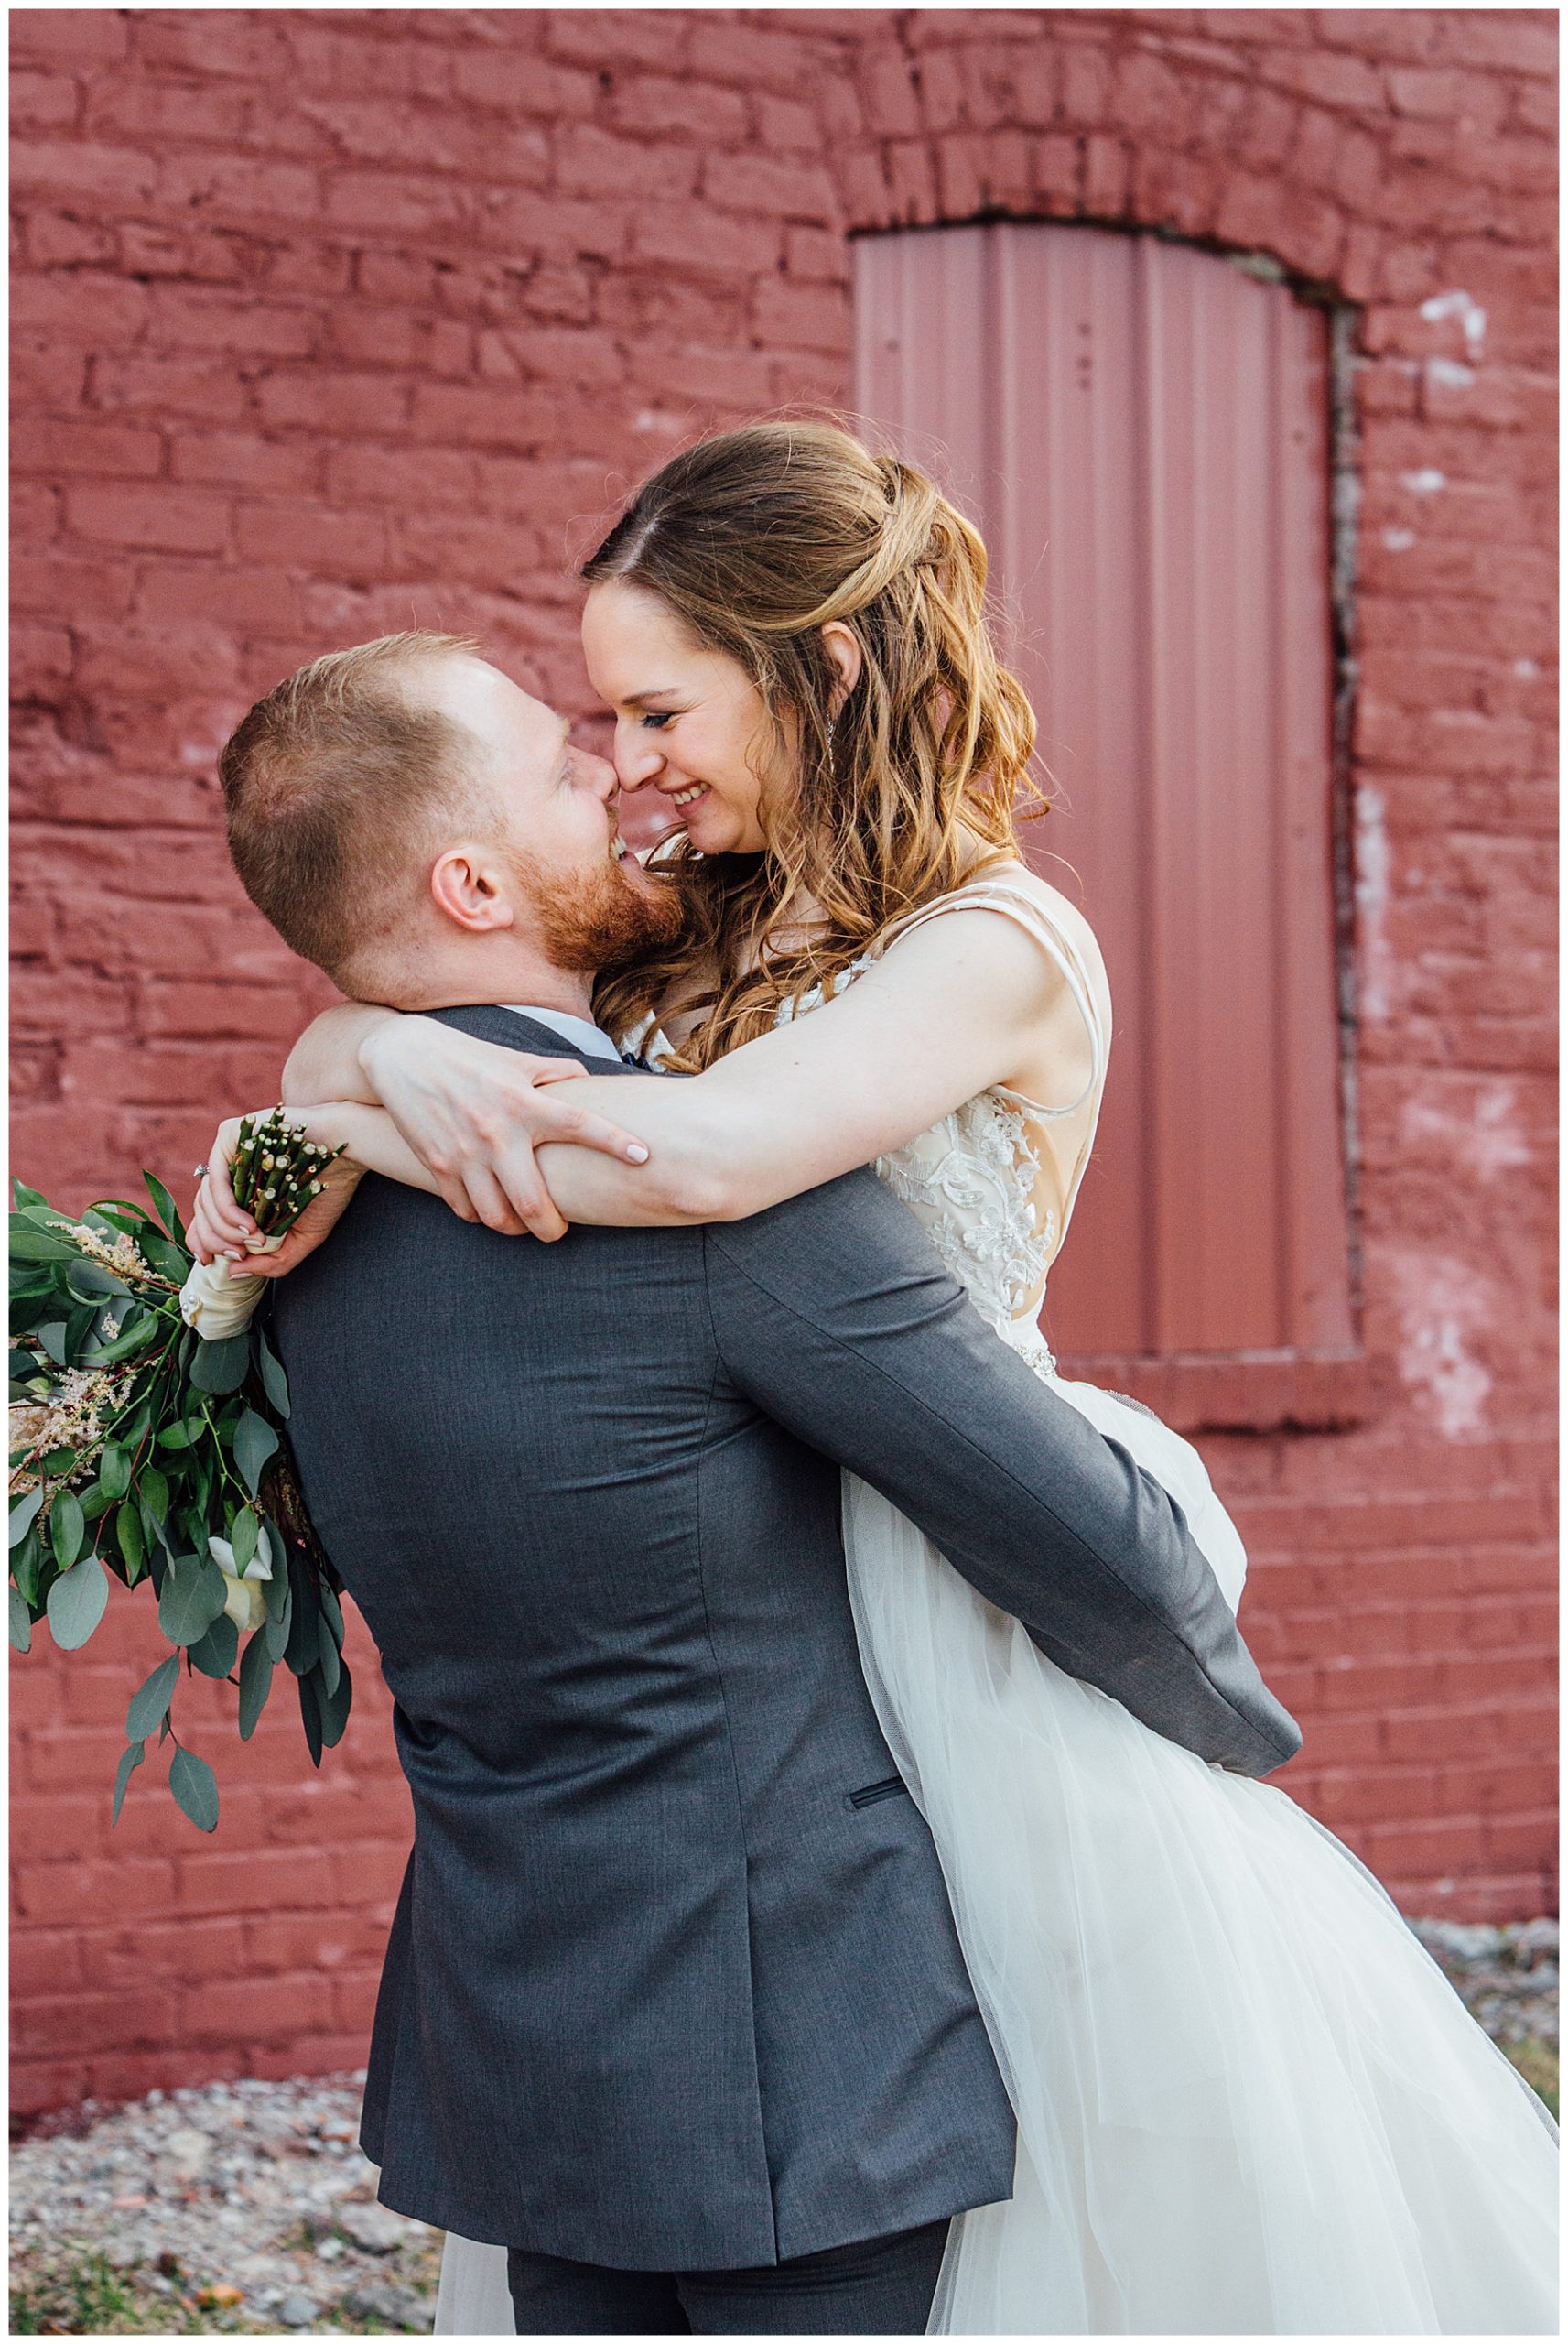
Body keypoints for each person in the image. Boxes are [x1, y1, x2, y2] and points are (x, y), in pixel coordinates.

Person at [194, 424, 1557, 2334]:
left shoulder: (989, 944)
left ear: (817, 670)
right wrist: (351, 1052)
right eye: (597, 726)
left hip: (971, 1629)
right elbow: (615, 1112)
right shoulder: (675, 963)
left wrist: (357, 1070)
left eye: (655, 708)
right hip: (810, 1695)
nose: (632, 765)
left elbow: (697, 1159)